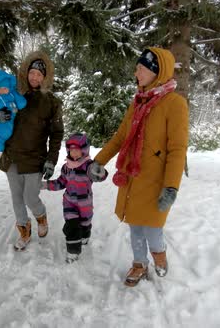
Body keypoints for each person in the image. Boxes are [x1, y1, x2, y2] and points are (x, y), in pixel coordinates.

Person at [89, 47, 189, 286]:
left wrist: (171, 187)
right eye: (137, 68)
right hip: (133, 177)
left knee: (152, 230)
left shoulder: (175, 104)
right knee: (135, 227)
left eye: (141, 68)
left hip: (157, 182)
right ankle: (139, 264)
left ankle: (160, 257)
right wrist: (99, 160)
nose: (137, 73)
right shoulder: (138, 102)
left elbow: (177, 150)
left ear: (157, 71)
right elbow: (121, 136)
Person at [0, 51, 64, 251]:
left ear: (45, 77)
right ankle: (24, 231)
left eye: (39, 74)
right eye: (32, 72)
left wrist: (52, 159)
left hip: (35, 159)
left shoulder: (51, 101)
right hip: (12, 156)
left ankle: (41, 217)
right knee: (17, 199)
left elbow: (57, 133)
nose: (35, 77)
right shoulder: (14, 94)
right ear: (26, 73)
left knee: (30, 198)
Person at [41, 133, 108, 263]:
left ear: (84, 150)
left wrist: (101, 173)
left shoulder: (89, 166)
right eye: (71, 150)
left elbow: (100, 176)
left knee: (84, 225)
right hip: (69, 202)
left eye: (77, 150)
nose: (74, 153)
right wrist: (46, 185)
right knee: (72, 226)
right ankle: (73, 251)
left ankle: (85, 235)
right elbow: (61, 183)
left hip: (85, 204)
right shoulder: (67, 167)